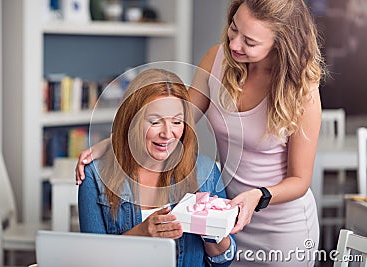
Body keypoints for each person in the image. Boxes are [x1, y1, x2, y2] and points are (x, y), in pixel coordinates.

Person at [77, 0, 325, 265]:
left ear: (280, 43)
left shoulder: (301, 90)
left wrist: (257, 196)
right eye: (233, 29)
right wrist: (117, 141)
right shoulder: (218, 59)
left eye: (249, 42)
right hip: (221, 212)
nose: (234, 45)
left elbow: (300, 180)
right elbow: (179, 119)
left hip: (279, 226)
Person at [78, 68, 236, 267]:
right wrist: (142, 233)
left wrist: (212, 231)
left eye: (177, 122)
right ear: (132, 121)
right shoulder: (95, 176)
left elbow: (224, 260)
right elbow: (91, 261)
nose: (168, 133)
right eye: (155, 122)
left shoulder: (205, 171)